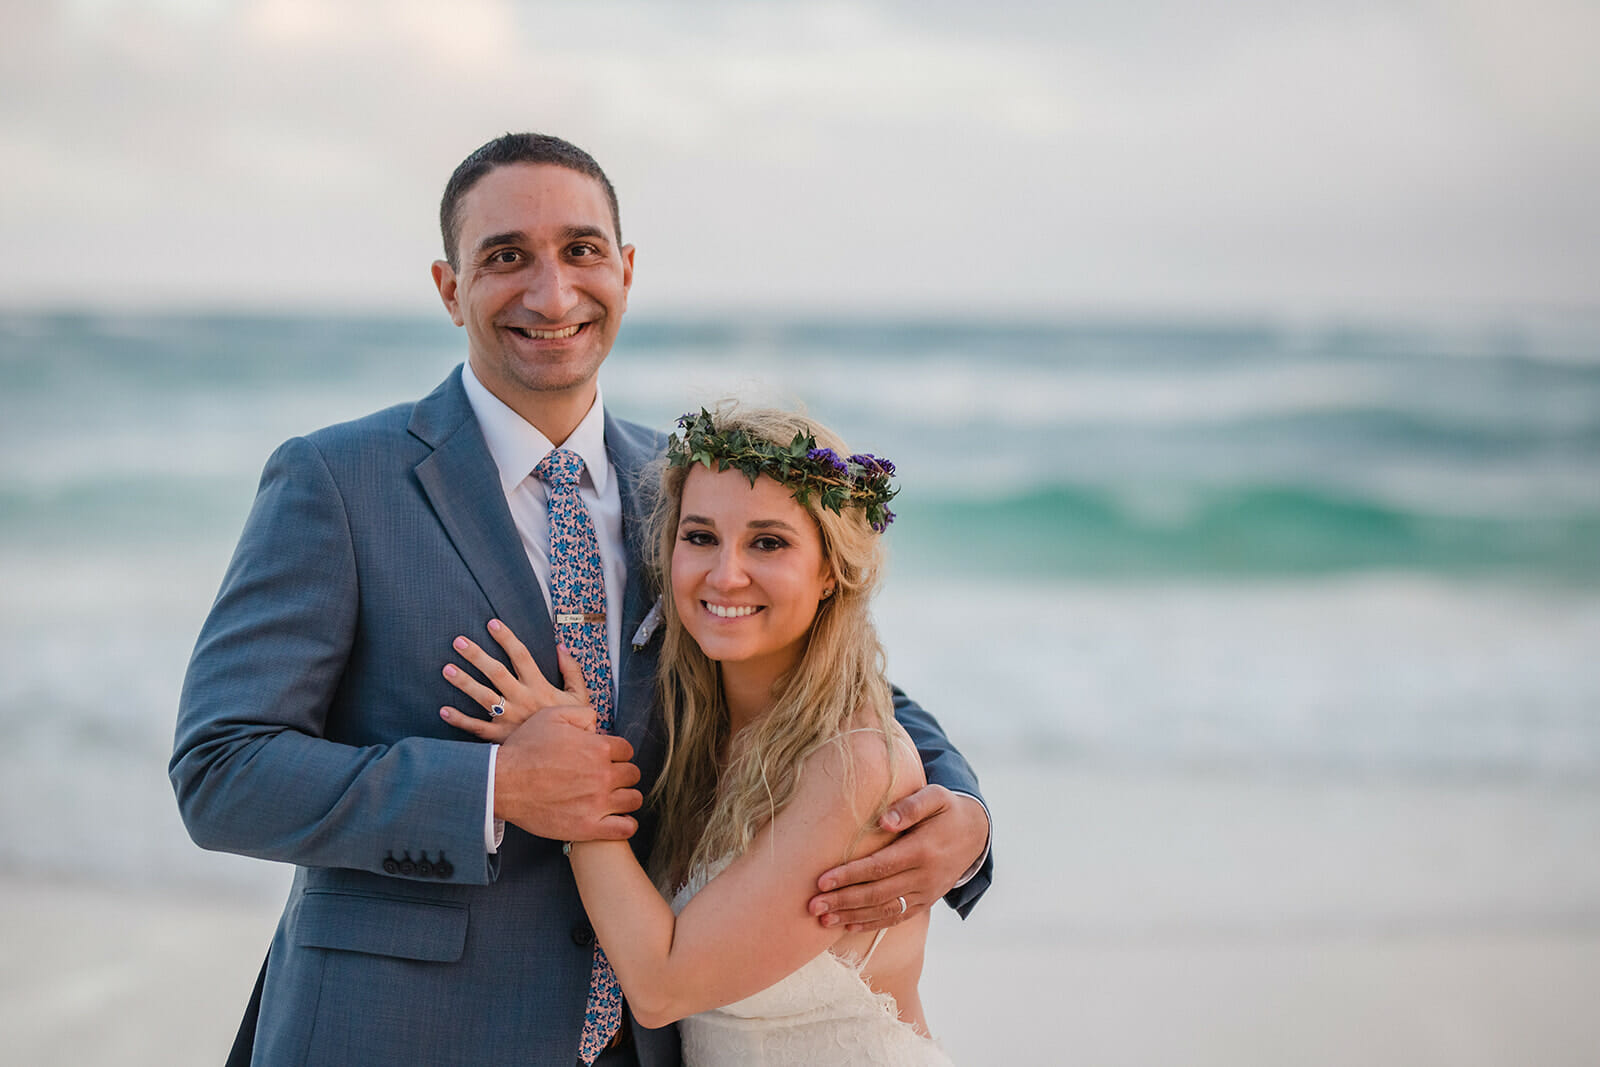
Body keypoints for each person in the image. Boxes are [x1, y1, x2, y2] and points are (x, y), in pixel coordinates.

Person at [170, 132, 992, 1066]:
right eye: (506, 256)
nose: (551, 293)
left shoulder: (686, 494)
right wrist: (490, 788)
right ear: (449, 289)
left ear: (626, 270)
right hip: (395, 1031)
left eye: (581, 250)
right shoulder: (337, 479)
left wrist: (962, 814)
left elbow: (827, 669)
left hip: (638, 1042)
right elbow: (220, 770)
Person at [441, 405, 956, 1064]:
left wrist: (570, 775)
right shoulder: (692, 736)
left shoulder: (853, 762)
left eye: (768, 542)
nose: (725, 573)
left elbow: (661, 986)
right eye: (701, 536)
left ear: (831, 569)